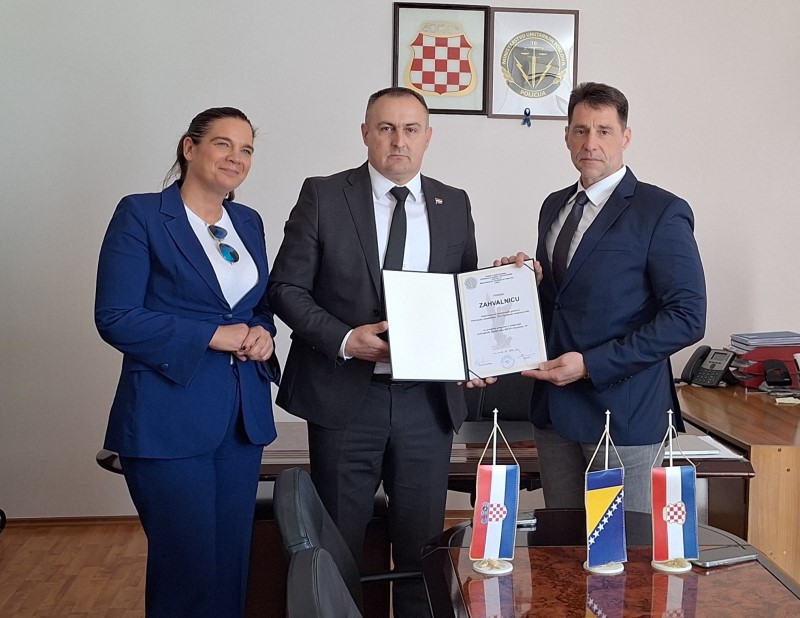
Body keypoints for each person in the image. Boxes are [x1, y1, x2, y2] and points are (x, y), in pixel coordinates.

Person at [268, 87, 484, 617]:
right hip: (345, 399)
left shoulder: (454, 202)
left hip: (426, 403)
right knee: (338, 546)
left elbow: (466, 297)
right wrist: (346, 340)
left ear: (428, 137)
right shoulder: (324, 195)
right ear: (365, 133)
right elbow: (286, 288)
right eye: (386, 128)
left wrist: (491, 327)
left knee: (422, 550)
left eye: (411, 130)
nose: (398, 141)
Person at [95, 107, 280, 617]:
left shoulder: (248, 221)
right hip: (167, 419)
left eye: (246, 149)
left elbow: (254, 308)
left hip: (241, 419)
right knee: (187, 575)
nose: (236, 157)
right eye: (223, 144)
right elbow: (115, 316)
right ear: (190, 147)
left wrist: (262, 334)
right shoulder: (141, 214)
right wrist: (213, 336)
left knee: (230, 571)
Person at [498, 82, 706, 513]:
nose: (590, 143)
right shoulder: (554, 206)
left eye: (604, 131)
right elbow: (561, 301)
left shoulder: (661, 211)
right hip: (555, 414)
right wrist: (518, 284)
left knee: (622, 550)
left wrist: (591, 365)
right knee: (562, 545)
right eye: (580, 130)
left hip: (624, 418)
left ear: (625, 137)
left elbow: (687, 317)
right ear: (567, 136)